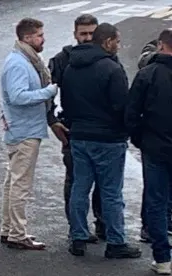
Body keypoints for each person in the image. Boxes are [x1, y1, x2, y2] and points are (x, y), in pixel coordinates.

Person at [60, 22, 140, 258]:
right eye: (117, 41)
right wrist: (127, 129)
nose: (119, 45)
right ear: (107, 42)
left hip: (80, 135)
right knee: (111, 192)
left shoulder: (71, 68)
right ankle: (116, 241)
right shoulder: (111, 69)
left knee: (79, 187)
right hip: (108, 139)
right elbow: (121, 106)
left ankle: (78, 237)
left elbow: (67, 103)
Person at [0, 17, 58, 251]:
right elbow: (18, 96)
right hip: (24, 131)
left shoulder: (24, 59)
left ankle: (9, 229)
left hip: (22, 128)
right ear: (27, 37)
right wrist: (48, 91)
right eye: (39, 35)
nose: (43, 39)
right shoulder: (18, 64)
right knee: (20, 184)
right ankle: (17, 233)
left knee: (12, 182)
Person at [47, 13, 105, 242]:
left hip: (102, 130)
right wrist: (52, 121)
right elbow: (47, 93)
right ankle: (77, 228)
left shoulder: (107, 58)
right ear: (75, 34)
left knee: (103, 182)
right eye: (84, 33)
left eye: (92, 33)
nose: (88, 37)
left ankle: (103, 224)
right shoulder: (61, 60)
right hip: (72, 128)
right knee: (74, 179)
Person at [126, 28, 172, 274]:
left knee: (156, 200)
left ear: (161, 46)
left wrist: (139, 139)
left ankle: (163, 258)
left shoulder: (147, 75)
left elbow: (131, 113)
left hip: (154, 146)